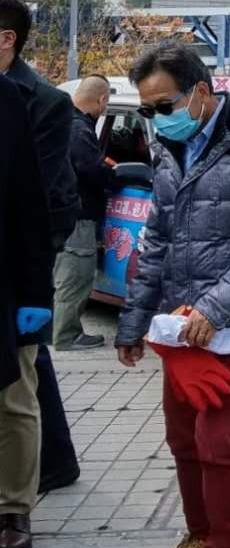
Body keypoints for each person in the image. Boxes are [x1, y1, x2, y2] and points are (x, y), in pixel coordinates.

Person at [114, 43, 230, 548]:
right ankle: (199, 538)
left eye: (163, 106)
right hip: (179, 330)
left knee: (220, 442)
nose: (156, 119)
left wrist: (215, 307)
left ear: (201, 91)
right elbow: (157, 238)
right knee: (183, 440)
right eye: (146, 110)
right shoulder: (167, 146)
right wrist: (133, 321)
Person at [0, 0, 81, 500]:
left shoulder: (44, 101)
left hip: (34, 234)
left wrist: (33, 284)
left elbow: (36, 186)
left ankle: (38, 476)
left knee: (24, 353)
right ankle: (52, 461)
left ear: (7, 39)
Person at [0, 74, 55, 548]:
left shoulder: (8, 99)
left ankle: (13, 508)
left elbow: (29, 200)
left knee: (14, 398)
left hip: (7, 282)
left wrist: (37, 293)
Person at [53, 75, 117, 351]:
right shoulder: (78, 129)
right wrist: (115, 175)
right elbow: (91, 169)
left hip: (62, 212)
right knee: (75, 276)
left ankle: (57, 330)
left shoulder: (62, 120)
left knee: (65, 275)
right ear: (102, 100)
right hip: (77, 216)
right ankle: (66, 336)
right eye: (107, 104)